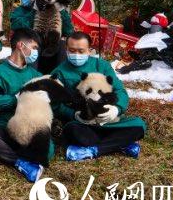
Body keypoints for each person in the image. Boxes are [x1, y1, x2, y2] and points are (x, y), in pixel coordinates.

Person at [52, 32, 146, 161]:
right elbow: (54, 104)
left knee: (139, 125)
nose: (76, 55)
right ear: (66, 49)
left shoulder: (102, 65)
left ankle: (94, 149)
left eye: (81, 51)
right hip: (83, 124)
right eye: (72, 50)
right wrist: (73, 115)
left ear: (89, 50)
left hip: (108, 122)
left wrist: (116, 109)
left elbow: (120, 91)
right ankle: (119, 144)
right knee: (71, 130)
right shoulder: (59, 72)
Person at [0, 28, 48, 182]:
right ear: (21, 45)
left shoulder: (36, 75)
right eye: (34, 48)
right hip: (4, 123)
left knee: (47, 149)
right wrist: (14, 99)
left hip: (28, 125)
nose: (36, 52)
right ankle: (18, 162)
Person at [9, 0, 74, 36]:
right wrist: (35, 9)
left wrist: (60, 10)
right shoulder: (19, 10)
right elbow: (16, 25)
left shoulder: (56, 6)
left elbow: (68, 31)